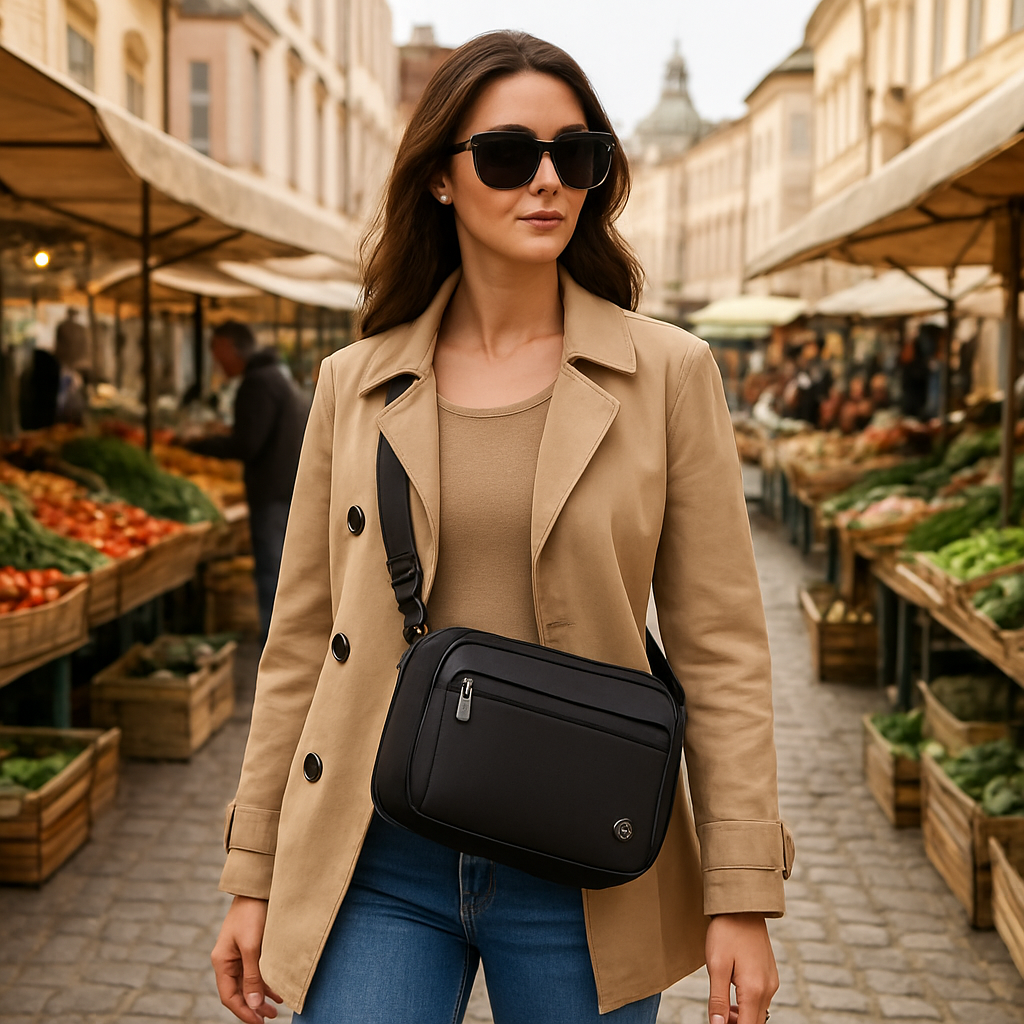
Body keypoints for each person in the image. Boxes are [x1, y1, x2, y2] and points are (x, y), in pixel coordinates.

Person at [212, 32, 792, 1024]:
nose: (547, 183)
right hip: (375, 851)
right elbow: (301, 645)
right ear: (440, 178)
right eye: (508, 154)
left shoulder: (669, 374)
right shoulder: (354, 384)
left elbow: (721, 646)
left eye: (577, 156)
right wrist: (253, 869)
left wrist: (740, 890)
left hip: (583, 861)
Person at [187, 321, 305, 644]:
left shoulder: (258, 383)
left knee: (271, 570)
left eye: (215, 351)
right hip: (285, 487)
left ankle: (276, 642)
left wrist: (197, 444)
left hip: (272, 492)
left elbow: (247, 444)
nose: (215, 361)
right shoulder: (276, 377)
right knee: (281, 569)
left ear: (227, 346)